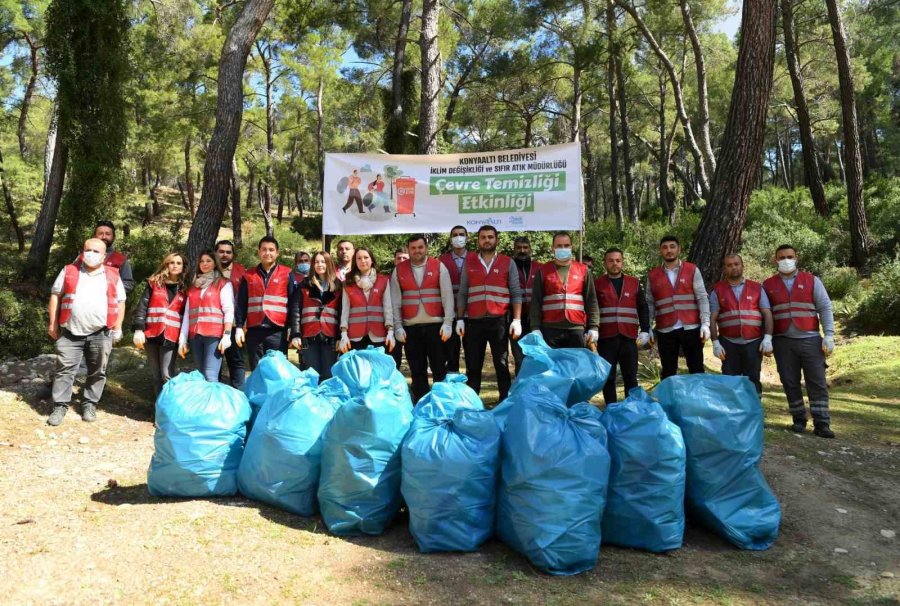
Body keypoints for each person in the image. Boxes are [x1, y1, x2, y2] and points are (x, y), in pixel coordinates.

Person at [46, 238, 126, 426]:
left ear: (104, 256)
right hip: (70, 330)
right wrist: (52, 324)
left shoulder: (113, 274)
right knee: (64, 370)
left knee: (98, 371)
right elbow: (55, 295)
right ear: (82, 251)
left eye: (96, 251)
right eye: (87, 250)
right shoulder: (69, 271)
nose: (90, 253)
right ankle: (60, 405)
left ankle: (89, 403)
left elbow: (121, 301)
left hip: (101, 332)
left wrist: (118, 327)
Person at [763, 245, 836, 438]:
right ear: (775, 260)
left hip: (810, 339)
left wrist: (829, 335)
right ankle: (798, 418)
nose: (786, 260)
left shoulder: (812, 280)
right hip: (782, 341)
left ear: (796, 258)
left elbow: (825, 307)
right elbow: (764, 314)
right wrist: (766, 338)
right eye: (781, 257)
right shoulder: (768, 285)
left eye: (789, 256)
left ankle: (822, 423)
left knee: (817, 381)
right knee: (789, 381)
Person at [456, 225, 522, 401]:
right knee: (473, 366)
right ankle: (472, 405)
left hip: (499, 321)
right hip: (473, 322)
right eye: (483, 237)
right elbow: (463, 292)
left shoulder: (508, 262)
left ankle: (505, 404)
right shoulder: (469, 262)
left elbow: (516, 293)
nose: (487, 240)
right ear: (478, 240)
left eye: (490, 237)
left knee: (501, 365)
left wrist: (517, 319)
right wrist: (460, 319)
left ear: (497, 240)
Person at [391, 234, 455, 402]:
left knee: (439, 369)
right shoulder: (398, 270)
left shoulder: (438, 266)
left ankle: (442, 405)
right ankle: (422, 407)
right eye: (413, 248)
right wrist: (398, 326)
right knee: (417, 371)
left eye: (420, 247)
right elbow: (395, 301)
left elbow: (447, 297)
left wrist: (448, 323)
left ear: (426, 248)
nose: (417, 251)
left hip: (436, 327)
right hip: (410, 329)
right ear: (409, 250)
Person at [646, 235, 711, 378]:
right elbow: (650, 303)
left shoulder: (692, 269)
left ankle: (698, 399)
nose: (669, 250)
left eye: (672, 246)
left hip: (691, 328)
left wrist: (705, 323)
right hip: (665, 329)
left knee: (696, 369)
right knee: (668, 371)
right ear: (660, 251)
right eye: (665, 247)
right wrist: (647, 328)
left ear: (679, 249)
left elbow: (702, 297)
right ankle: (669, 400)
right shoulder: (653, 275)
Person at [710, 254, 774, 396]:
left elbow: (767, 313)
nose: (734, 267)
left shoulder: (757, 288)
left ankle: (754, 414)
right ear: (724, 268)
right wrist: (715, 342)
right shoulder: (717, 290)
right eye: (729, 265)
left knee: (753, 380)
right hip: (728, 344)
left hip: (753, 343)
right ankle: (732, 415)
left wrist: (768, 338)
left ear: (742, 265)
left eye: (736, 264)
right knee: (730, 382)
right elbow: (712, 318)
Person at [594, 248, 651, 403]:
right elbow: (592, 309)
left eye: (618, 260)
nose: (615, 264)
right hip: (606, 339)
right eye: (611, 260)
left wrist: (645, 330)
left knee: (630, 377)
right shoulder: (597, 284)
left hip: (629, 338)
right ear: (605, 262)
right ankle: (612, 411)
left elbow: (643, 307)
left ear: (623, 262)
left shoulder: (634, 283)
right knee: (608, 378)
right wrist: (592, 330)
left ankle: (631, 410)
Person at [234, 236, 296, 370]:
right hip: (254, 330)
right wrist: (239, 326)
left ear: (277, 253)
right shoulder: (248, 275)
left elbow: (293, 302)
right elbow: (241, 303)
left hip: (278, 331)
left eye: (271, 250)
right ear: (258, 252)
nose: (267, 253)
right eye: (264, 250)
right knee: (257, 370)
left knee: (277, 371)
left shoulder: (287, 273)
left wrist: (292, 327)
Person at [530, 232, 600, 349]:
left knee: (576, 365)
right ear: (552, 248)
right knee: (552, 366)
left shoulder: (583, 270)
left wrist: (594, 327)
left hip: (576, 329)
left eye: (566, 245)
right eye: (559, 246)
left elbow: (591, 301)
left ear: (571, 247)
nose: (563, 248)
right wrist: (535, 328)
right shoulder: (543, 271)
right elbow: (536, 301)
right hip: (550, 329)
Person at [132, 253, 187, 397]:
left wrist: (184, 339)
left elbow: (188, 315)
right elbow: (142, 307)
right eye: (171, 262)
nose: (175, 265)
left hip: (171, 336)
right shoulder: (153, 284)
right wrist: (139, 329)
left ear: (183, 266)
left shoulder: (186, 288)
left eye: (178, 263)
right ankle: (158, 410)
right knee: (156, 376)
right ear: (166, 265)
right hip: (151, 334)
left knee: (166, 375)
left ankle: (170, 409)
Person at [178, 251, 234, 382]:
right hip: (195, 336)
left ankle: (214, 402)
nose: (204, 264)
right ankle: (204, 402)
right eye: (202, 261)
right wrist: (183, 339)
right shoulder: (193, 287)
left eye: (208, 261)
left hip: (214, 336)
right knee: (200, 375)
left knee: (210, 375)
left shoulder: (223, 283)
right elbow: (187, 315)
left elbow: (229, 310)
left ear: (215, 263)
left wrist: (227, 335)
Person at [290, 251, 341, 379]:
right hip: (309, 336)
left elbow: (342, 313)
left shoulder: (339, 286)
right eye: (316, 262)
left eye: (323, 261)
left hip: (330, 337)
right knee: (311, 375)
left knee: (329, 375)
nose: (319, 265)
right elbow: (296, 311)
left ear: (329, 264)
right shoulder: (304, 285)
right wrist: (296, 334)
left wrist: (341, 336)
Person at [339, 247, 395, 353]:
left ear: (372, 259)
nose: (363, 261)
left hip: (379, 334)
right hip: (355, 336)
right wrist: (344, 333)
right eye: (359, 258)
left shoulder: (383, 280)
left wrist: (390, 331)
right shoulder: (348, 282)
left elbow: (388, 307)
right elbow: (345, 309)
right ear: (355, 261)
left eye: (366, 257)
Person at [215, 240, 247, 389]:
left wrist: (243, 324)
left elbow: (246, 299)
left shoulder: (242, 272)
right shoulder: (208, 269)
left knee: (236, 361)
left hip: (235, 323)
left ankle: (239, 395)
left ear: (233, 254)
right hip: (213, 325)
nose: (225, 255)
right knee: (215, 362)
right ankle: (215, 396)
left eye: (228, 252)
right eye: (221, 251)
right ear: (216, 252)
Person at [75, 220, 135, 293]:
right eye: (100, 233)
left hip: (108, 302)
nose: (104, 237)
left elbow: (128, 284)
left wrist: (105, 289)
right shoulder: (83, 256)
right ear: (94, 236)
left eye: (108, 234)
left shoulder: (121, 260)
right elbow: (71, 276)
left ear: (113, 237)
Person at [438, 226, 468, 373]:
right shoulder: (442, 261)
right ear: (450, 239)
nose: (458, 237)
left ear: (467, 237)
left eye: (461, 234)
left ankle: (470, 389)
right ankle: (452, 385)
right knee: (450, 354)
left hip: (471, 314)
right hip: (449, 314)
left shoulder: (476, 258)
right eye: (455, 235)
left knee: (472, 354)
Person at [511, 235, 540, 374]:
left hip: (536, 320)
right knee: (519, 359)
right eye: (519, 248)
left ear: (530, 249)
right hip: (515, 319)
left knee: (536, 358)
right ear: (514, 249)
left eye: (525, 247)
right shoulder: (508, 266)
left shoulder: (539, 267)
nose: (522, 250)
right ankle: (521, 391)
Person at [389, 247, 409, 370]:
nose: (401, 260)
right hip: (393, 324)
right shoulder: (387, 279)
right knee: (394, 360)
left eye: (404, 258)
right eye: (399, 258)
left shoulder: (417, 277)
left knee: (415, 359)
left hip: (411, 322)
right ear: (394, 260)